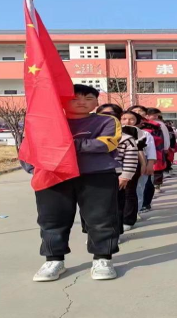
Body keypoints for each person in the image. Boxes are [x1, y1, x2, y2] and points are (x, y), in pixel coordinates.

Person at [27, 84, 121, 282]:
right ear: (62, 101)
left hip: (97, 175)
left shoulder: (107, 121)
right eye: (75, 99)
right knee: (52, 219)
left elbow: (106, 143)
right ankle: (54, 260)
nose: (82, 102)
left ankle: (102, 258)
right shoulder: (48, 121)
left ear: (97, 102)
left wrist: (65, 144)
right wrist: (32, 167)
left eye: (88, 99)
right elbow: (31, 145)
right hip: (53, 175)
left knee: (102, 218)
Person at [96, 104, 140, 241]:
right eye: (103, 114)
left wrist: (125, 176)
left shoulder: (126, 138)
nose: (108, 118)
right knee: (94, 208)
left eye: (113, 115)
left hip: (116, 176)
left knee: (115, 207)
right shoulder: (92, 135)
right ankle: (94, 233)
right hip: (93, 176)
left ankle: (115, 233)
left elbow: (131, 159)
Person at [120, 109, 155, 228]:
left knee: (137, 189)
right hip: (119, 166)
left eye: (131, 119)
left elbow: (150, 151)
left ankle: (133, 214)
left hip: (140, 163)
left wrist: (149, 164)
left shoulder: (144, 134)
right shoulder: (113, 132)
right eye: (124, 118)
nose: (128, 121)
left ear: (137, 121)